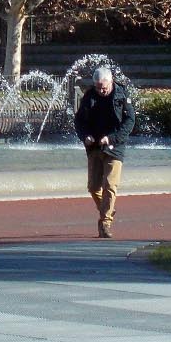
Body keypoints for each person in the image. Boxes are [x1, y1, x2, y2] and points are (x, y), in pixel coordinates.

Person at [73, 66, 133, 239]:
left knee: (110, 186)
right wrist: (85, 136)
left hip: (115, 147)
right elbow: (79, 121)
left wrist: (112, 138)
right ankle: (108, 209)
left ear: (111, 81)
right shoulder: (89, 96)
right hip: (94, 147)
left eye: (104, 87)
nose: (101, 90)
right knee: (93, 187)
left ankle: (105, 223)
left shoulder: (122, 96)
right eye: (98, 87)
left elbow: (130, 121)